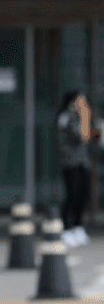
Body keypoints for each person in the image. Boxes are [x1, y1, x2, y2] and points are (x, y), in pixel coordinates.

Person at [57, 92, 100, 248]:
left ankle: (78, 227)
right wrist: (86, 117)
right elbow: (82, 136)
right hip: (70, 164)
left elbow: (89, 137)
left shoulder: (83, 118)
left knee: (84, 196)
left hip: (83, 163)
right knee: (72, 195)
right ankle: (65, 229)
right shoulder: (66, 117)